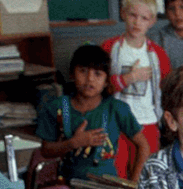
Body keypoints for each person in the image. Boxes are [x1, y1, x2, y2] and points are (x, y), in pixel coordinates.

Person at [36, 44, 148, 181]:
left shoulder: (117, 108)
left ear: (106, 81)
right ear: (71, 73)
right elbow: (45, 150)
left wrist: (135, 183)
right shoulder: (55, 107)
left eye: (98, 74)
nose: (89, 79)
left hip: (106, 187)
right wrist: (73, 143)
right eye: (83, 71)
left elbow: (143, 145)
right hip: (67, 184)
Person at [102, 0, 171, 180]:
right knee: (118, 176)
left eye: (144, 18)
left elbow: (167, 89)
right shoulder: (110, 48)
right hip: (117, 123)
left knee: (145, 178)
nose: (137, 22)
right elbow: (101, 88)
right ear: (123, 14)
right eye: (132, 15)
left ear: (152, 21)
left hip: (147, 121)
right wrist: (128, 78)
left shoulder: (157, 54)